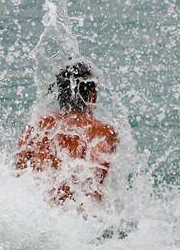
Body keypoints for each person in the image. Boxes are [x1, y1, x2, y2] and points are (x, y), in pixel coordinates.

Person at [16, 61, 118, 203]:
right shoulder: (102, 132)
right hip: (77, 213)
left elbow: (19, 176)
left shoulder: (37, 126)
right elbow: (97, 183)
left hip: (40, 207)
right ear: (92, 95)